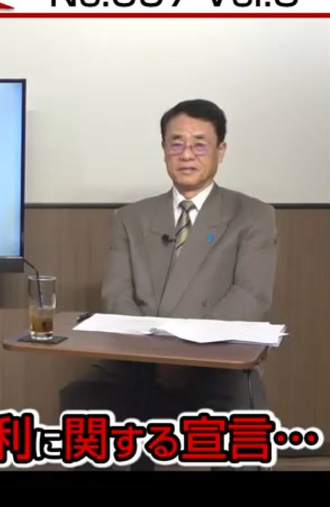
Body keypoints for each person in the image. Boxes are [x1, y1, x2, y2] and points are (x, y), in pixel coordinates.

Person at [58, 99, 278, 469]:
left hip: (216, 364)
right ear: (163, 149)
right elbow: (117, 295)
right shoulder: (130, 217)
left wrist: (185, 359)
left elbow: (250, 296)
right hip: (139, 361)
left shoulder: (253, 215)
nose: (187, 154)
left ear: (221, 150)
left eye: (200, 144)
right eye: (176, 143)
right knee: (82, 397)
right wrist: (155, 359)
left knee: (242, 415)